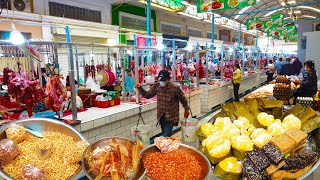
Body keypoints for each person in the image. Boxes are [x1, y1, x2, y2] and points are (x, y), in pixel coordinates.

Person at [135, 70, 190, 137]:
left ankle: (166, 145)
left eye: (164, 80)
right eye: (160, 80)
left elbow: (183, 99)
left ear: (168, 79)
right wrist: (140, 88)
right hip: (161, 116)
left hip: (171, 117)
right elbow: (147, 95)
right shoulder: (157, 87)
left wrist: (186, 110)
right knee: (165, 134)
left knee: (166, 136)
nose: (162, 82)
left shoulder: (175, 88)